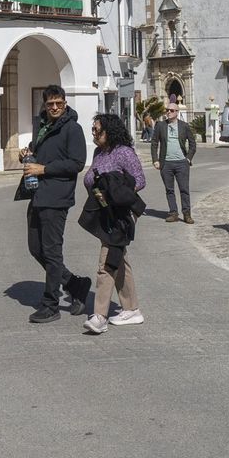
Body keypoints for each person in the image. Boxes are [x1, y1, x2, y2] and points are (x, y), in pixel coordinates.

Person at [21, 85, 89, 323]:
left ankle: (51, 305)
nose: (55, 107)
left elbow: (77, 163)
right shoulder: (42, 126)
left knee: (51, 250)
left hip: (57, 196)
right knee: (35, 248)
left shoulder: (73, 128)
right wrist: (29, 154)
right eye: (50, 104)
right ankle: (74, 283)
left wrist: (44, 169)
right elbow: (44, 153)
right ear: (45, 104)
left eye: (59, 103)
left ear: (65, 102)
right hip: (38, 194)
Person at [79, 113, 146, 334]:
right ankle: (132, 309)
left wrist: (117, 195)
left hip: (120, 214)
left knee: (106, 262)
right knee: (118, 260)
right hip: (104, 212)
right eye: (93, 130)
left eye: (98, 130)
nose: (95, 134)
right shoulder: (99, 152)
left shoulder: (124, 153)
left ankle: (99, 316)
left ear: (111, 131)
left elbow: (140, 180)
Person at [149, 104, 196, 224]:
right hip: (166, 163)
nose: (168, 112)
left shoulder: (184, 126)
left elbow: (192, 144)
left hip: (182, 163)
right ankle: (173, 213)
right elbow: (154, 143)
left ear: (177, 112)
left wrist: (188, 158)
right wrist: (155, 160)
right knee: (169, 189)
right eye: (167, 110)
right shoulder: (160, 125)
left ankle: (187, 214)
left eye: (171, 110)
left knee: (184, 189)